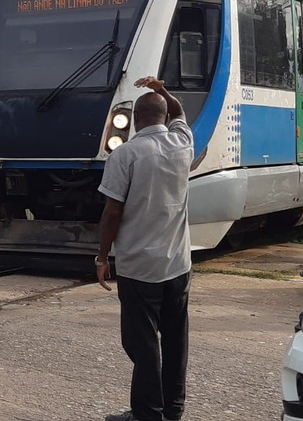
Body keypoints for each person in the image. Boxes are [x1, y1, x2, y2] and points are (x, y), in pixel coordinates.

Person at [95, 76, 193, 421]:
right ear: (165, 117)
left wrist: (102, 256)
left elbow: (112, 212)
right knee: (176, 339)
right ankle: (173, 409)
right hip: (178, 265)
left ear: (136, 119)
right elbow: (179, 111)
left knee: (141, 342)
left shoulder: (126, 154)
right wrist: (161, 89)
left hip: (139, 267)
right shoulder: (183, 143)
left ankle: (148, 413)